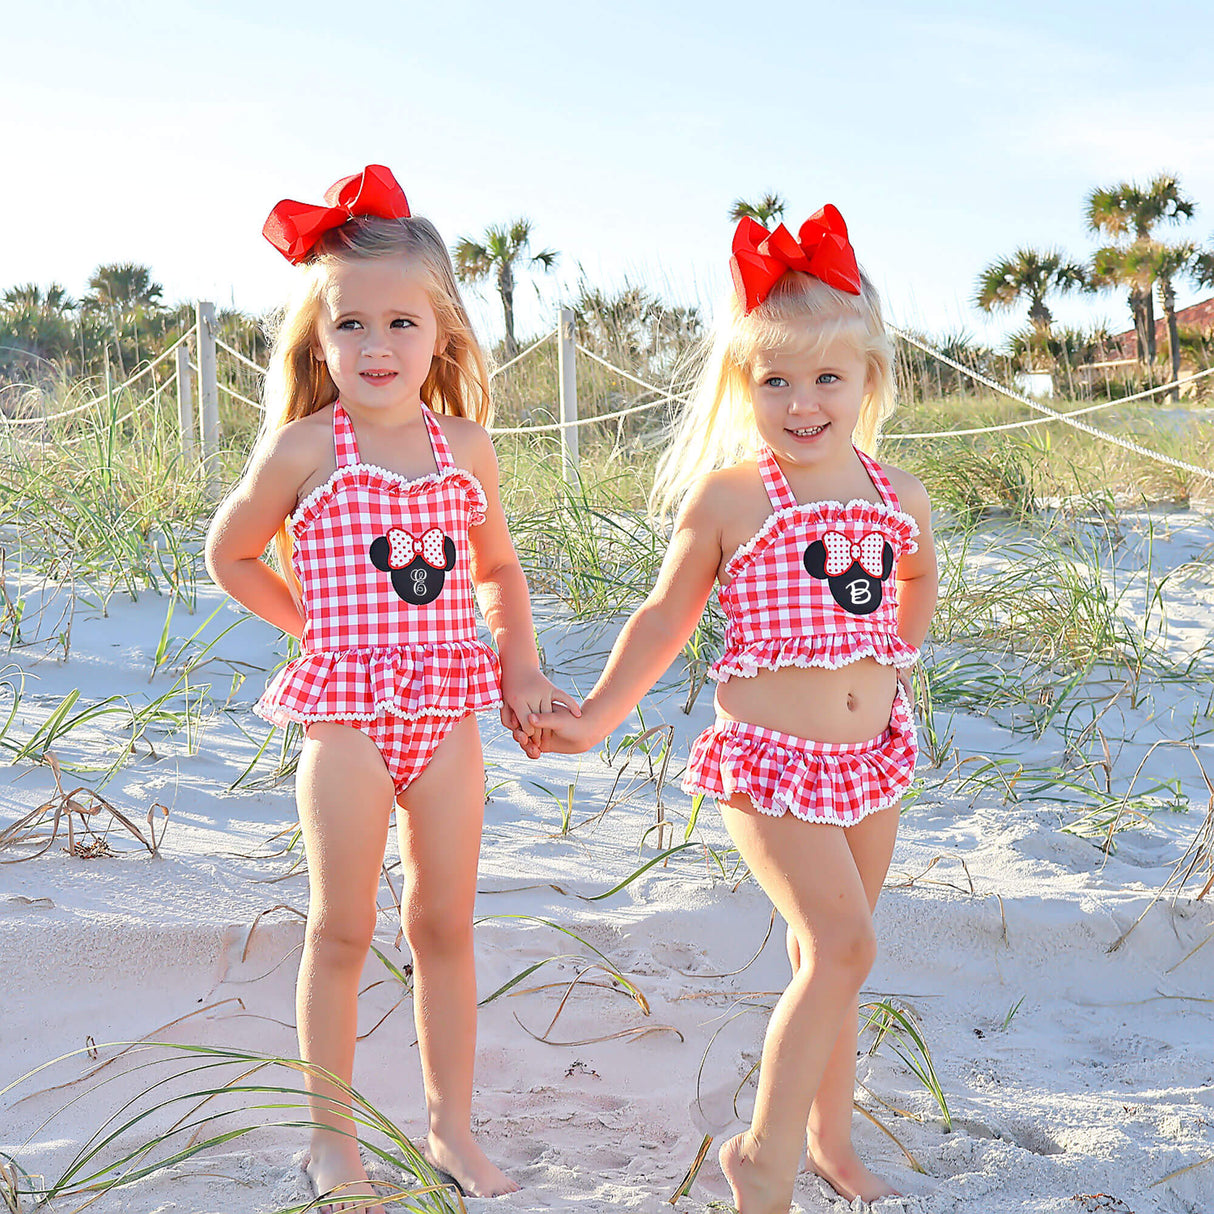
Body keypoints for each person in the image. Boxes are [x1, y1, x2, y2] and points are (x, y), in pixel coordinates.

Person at [525, 206, 938, 1212]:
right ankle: (762, 1155)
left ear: (868, 380)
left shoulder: (896, 493)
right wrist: (590, 716)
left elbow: (917, 577)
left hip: (871, 754)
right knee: (842, 945)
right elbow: (663, 619)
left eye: (826, 378)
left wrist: (892, 650)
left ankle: (832, 1141)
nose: (802, 402)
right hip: (770, 761)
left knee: (828, 958)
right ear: (740, 385)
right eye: (775, 380)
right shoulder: (730, 498)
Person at [205, 165, 577, 1211]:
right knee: (341, 926)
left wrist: (521, 666)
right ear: (317, 338)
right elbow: (230, 554)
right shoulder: (301, 448)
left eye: (401, 322)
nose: (375, 346)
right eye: (351, 324)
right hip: (346, 725)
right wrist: (313, 626)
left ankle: (450, 1127)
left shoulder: (464, 448)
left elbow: (498, 569)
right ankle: (331, 1139)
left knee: (445, 924)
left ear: (443, 334)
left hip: (448, 722)